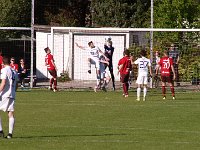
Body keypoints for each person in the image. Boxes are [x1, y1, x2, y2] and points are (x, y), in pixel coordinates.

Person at [0, 57, 18, 139]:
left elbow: (3, 83)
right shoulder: (14, 71)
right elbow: (17, 84)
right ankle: (10, 134)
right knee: (10, 113)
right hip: (12, 94)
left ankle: (0, 131)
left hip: (5, 94)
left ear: (3, 63)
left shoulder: (4, 70)